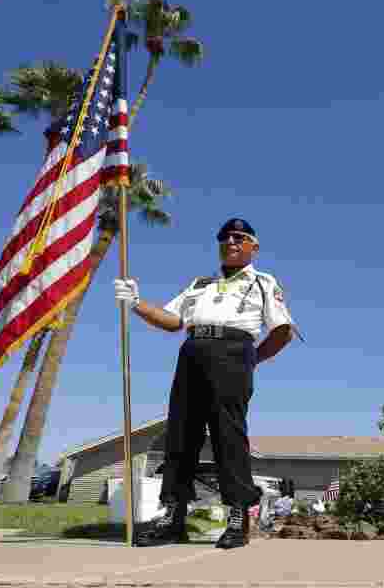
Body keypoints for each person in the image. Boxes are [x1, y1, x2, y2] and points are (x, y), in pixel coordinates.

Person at [114, 218, 298, 549]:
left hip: (234, 352)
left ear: (253, 246)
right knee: (181, 434)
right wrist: (136, 304)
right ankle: (173, 516)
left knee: (229, 435)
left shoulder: (263, 283)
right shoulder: (201, 283)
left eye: (240, 237)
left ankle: (239, 515)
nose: (231, 242)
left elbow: (283, 329)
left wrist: (252, 359)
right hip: (192, 352)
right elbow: (173, 321)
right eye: (225, 237)